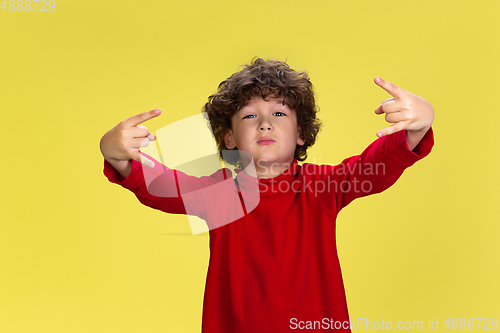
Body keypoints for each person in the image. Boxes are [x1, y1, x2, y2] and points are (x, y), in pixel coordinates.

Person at [99, 57, 435, 332]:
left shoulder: (322, 187)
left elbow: (371, 166)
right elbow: (163, 185)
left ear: (300, 132)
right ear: (229, 138)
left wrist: (417, 127)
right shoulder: (219, 195)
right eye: (249, 116)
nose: (264, 124)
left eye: (278, 113)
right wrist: (117, 154)